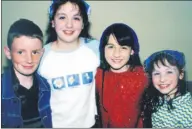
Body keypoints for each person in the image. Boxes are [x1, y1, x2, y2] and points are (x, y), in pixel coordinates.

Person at [37, 0, 100, 128]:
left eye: (76, 18)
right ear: (53, 22)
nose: (69, 24)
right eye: (62, 17)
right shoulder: (41, 56)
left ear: (83, 23)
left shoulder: (96, 49)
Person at [1, 19, 52, 128]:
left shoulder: (47, 87)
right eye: (20, 52)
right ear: (8, 53)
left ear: (42, 53)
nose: (29, 59)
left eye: (35, 52)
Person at [95, 23, 148, 127]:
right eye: (111, 47)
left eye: (123, 47)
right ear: (103, 49)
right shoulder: (98, 75)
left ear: (132, 51)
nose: (116, 54)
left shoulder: (143, 76)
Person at [141, 50, 192, 128]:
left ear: (181, 74)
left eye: (169, 72)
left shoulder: (188, 109)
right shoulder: (157, 101)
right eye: (157, 73)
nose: (162, 79)